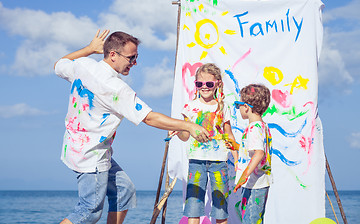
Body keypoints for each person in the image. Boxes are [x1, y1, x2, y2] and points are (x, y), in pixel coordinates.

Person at [54, 29, 211, 224]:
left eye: (136, 57)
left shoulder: (83, 65)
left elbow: (59, 64)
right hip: (91, 157)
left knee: (124, 192)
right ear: (113, 55)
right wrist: (188, 125)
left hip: (77, 148)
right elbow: (149, 118)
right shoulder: (115, 88)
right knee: (89, 210)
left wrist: (89, 49)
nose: (134, 63)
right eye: (131, 58)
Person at [174, 63, 238, 224]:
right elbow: (185, 136)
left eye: (209, 84)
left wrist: (237, 159)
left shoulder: (223, 107)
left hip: (219, 163)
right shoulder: (190, 107)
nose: (204, 87)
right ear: (195, 84)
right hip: (196, 161)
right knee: (193, 205)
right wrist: (177, 131)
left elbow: (229, 135)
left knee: (221, 207)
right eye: (199, 84)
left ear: (217, 83)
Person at [232, 84, 272, 224]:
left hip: (255, 184)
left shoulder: (254, 128)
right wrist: (237, 146)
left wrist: (245, 175)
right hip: (256, 183)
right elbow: (254, 150)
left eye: (238, 105)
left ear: (246, 107)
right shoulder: (262, 126)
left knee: (251, 220)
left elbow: (259, 153)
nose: (239, 109)